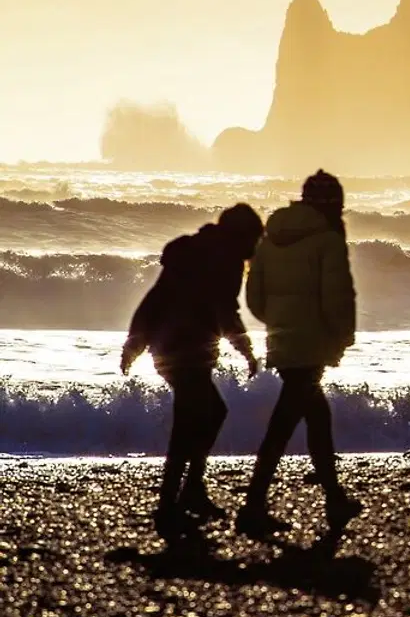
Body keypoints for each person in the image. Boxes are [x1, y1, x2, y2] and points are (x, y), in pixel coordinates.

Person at [121, 203, 264, 538]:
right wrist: (245, 348)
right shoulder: (225, 258)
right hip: (187, 350)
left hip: (169, 347)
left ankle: (189, 492)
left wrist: (136, 341)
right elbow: (224, 309)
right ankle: (171, 502)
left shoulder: (191, 251)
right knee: (194, 421)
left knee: (210, 414)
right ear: (243, 235)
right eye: (255, 238)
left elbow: (153, 300)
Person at [237, 169, 363, 536]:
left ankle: (335, 499)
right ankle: (253, 506)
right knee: (282, 426)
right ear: (334, 204)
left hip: (283, 341)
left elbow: (254, 299)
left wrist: (279, 323)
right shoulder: (327, 240)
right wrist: (342, 336)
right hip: (311, 345)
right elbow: (337, 297)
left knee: (317, 419)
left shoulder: (269, 237)